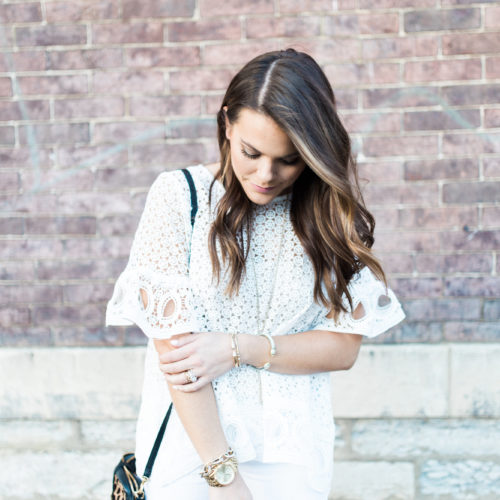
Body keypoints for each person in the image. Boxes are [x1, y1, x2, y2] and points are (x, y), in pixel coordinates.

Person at [105, 48, 405, 499]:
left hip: (295, 453)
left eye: (288, 159)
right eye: (251, 152)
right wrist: (225, 479)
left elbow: (342, 348)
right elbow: (179, 360)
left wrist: (235, 349)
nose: (266, 174)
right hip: (194, 455)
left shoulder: (325, 216)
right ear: (226, 124)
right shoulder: (179, 198)